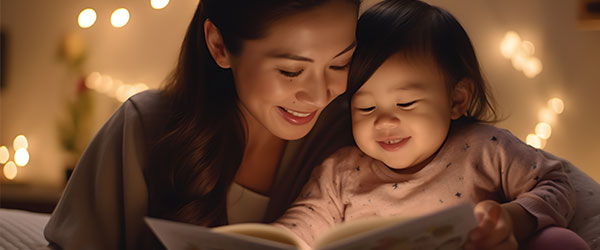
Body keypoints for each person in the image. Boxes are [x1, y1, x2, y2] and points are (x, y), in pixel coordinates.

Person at [274, 0, 590, 249]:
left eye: (406, 103)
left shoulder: (484, 148)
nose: (383, 120)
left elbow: (557, 184)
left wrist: (510, 219)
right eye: (366, 107)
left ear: (456, 100)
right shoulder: (340, 172)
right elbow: (301, 226)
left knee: (559, 242)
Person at [43, 0, 359, 249]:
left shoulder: (353, 136)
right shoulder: (143, 127)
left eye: (340, 64)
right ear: (219, 45)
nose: (319, 95)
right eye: (291, 71)